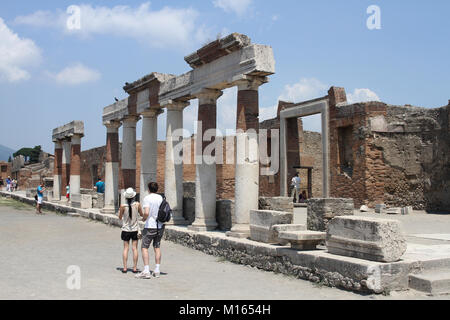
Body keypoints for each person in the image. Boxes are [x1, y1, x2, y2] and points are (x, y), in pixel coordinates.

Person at [136, 182, 165, 279]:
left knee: (144, 247)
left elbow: (147, 212)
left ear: (149, 189)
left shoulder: (147, 198)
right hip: (160, 226)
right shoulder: (161, 198)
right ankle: (157, 270)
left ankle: (146, 270)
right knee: (157, 247)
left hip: (150, 226)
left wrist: (143, 219)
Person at [118, 188, 143, 274]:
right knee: (134, 248)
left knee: (126, 248)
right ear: (133, 196)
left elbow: (120, 217)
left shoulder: (122, 206)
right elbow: (142, 214)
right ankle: (135, 268)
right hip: (135, 229)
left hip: (126, 229)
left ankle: (125, 268)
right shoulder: (137, 204)